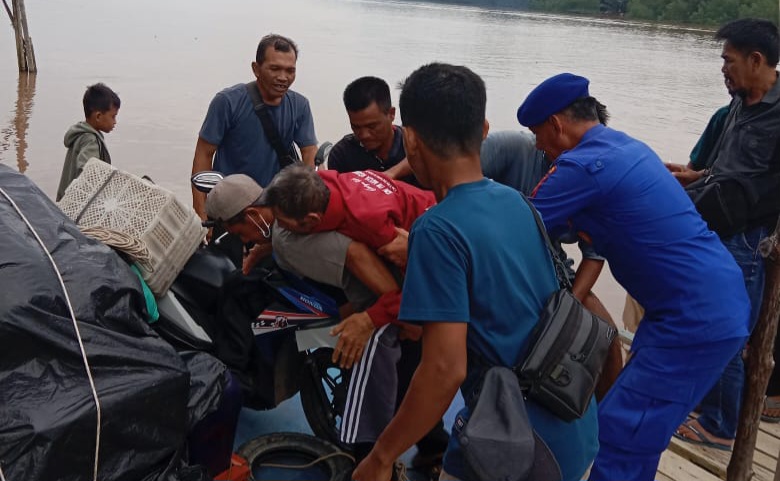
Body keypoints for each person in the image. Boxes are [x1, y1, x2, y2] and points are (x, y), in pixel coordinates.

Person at [352, 63, 600, 481]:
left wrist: (380, 457)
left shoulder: (437, 228)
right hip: (577, 429)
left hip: (518, 447)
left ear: (410, 139)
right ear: (483, 128)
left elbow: (444, 369)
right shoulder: (519, 202)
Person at [516, 72, 750, 480]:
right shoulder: (624, 145)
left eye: (538, 134)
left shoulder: (584, 166)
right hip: (709, 299)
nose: (538, 146)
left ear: (555, 124)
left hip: (692, 317)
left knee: (622, 434)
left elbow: (511, 226)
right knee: (637, 433)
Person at [667, 19, 780, 449]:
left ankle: (720, 426)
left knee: (730, 329)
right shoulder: (740, 102)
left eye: (729, 61)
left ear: (756, 60)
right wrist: (696, 176)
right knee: (709, 319)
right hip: (715, 224)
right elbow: (729, 168)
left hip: (748, 240)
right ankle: (710, 406)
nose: (723, 70)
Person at [480, 130, 622, 399]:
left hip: (552, 267)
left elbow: (593, 256)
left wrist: (569, 306)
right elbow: (455, 170)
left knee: (608, 340)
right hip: (498, 256)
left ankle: (604, 420)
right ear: (556, 127)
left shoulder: (593, 178)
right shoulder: (515, 147)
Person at [191, 33, 318, 222]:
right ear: (256, 69)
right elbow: (204, 153)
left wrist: (303, 202)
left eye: (290, 70)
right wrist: (201, 213)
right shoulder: (228, 102)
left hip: (274, 208)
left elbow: (310, 153)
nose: (283, 77)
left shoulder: (300, 105)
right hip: (229, 208)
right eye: (275, 69)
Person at [262, 164, 435, 264]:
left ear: (311, 219)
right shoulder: (327, 180)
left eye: (281, 221)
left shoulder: (368, 220)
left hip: (437, 234)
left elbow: (412, 279)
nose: (278, 225)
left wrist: (370, 317)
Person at [327, 76, 417, 185]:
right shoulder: (341, 155)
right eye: (356, 127)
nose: (364, 135)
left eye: (372, 126)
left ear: (391, 114)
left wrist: (392, 173)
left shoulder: (414, 145)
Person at [56, 83, 120, 201]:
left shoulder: (81, 133)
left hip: (65, 198)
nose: (115, 122)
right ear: (98, 116)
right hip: (75, 203)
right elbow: (87, 170)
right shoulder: (90, 140)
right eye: (113, 116)